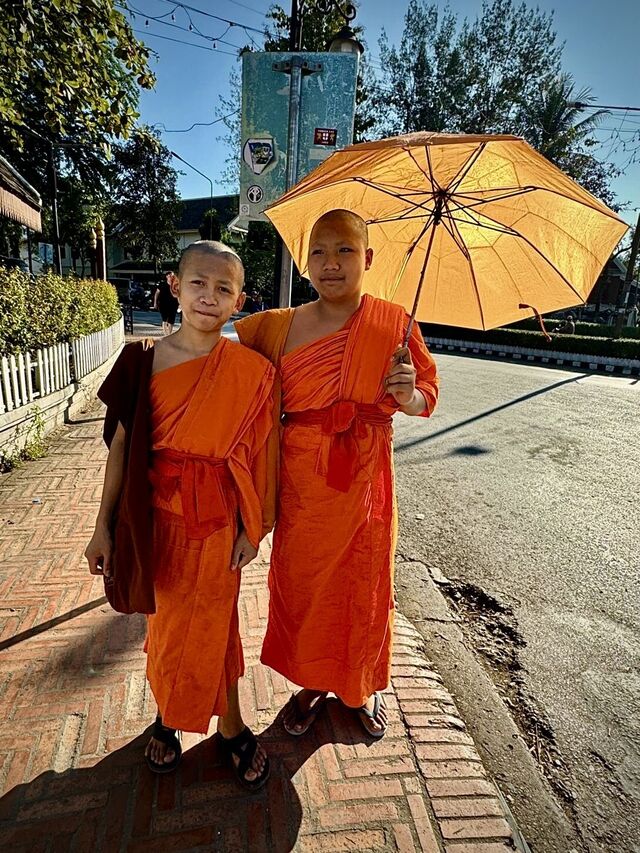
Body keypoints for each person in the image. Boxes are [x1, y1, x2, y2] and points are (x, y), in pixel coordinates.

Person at [235, 209, 439, 738]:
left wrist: (407, 393)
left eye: (345, 250)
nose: (331, 263)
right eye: (319, 252)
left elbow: (427, 399)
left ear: (367, 258)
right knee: (304, 589)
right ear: (305, 263)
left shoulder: (396, 323)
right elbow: (233, 382)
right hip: (303, 485)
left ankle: (359, 687)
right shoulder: (279, 327)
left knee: (363, 590)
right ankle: (310, 682)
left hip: (367, 483)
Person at [85, 241, 275, 788]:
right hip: (155, 523)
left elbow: (258, 453)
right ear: (175, 285)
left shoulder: (250, 371)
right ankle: (169, 717)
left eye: (223, 289)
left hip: (218, 521)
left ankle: (233, 726)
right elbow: (120, 446)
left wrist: (251, 527)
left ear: (239, 299)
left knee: (219, 627)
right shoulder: (142, 361)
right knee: (167, 627)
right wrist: (102, 528)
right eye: (198, 283)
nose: (209, 297)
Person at [154, 271, 180, 335]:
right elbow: (157, 294)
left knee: (171, 321)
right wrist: (155, 303)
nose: (171, 277)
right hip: (163, 304)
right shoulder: (162, 284)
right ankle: (166, 334)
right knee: (164, 319)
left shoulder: (176, 285)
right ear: (167, 277)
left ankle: (169, 334)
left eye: (172, 276)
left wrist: (180, 304)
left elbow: (179, 294)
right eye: (170, 276)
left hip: (173, 304)